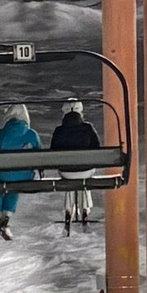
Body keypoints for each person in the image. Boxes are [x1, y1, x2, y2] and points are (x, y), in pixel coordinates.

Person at [0, 102, 41, 237]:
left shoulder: (0, 134)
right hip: (23, 176)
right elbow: (40, 156)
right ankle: (6, 215)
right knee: (15, 184)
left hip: (1, 175)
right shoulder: (31, 134)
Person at [48, 95, 101, 233]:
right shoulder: (88, 128)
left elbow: (52, 152)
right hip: (86, 170)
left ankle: (68, 212)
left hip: (66, 171)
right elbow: (97, 149)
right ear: (80, 112)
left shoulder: (59, 130)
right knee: (84, 176)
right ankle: (85, 210)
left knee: (70, 177)